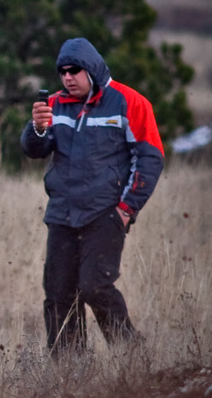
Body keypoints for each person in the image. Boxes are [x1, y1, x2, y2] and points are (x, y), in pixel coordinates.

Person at [21, 37, 164, 354]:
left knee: (95, 287)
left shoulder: (130, 103)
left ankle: (132, 356)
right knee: (58, 294)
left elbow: (151, 158)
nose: (67, 78)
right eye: (62, 72)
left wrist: (127, 209)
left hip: (105, 214)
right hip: (62, 213)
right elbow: (34, 150)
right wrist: (38, 128)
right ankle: (69, 370)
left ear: (92, 69)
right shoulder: (55, 105)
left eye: (74, 70)